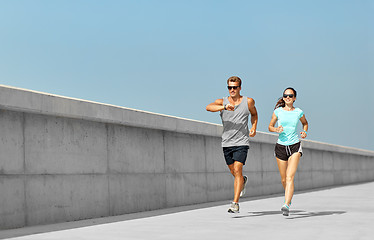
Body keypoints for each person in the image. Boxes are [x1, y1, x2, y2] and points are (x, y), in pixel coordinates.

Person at [206, 76, 258, 213]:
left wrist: (254, 127)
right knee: (234, 172)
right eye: (230, 87)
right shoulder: (221, 101)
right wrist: (224, 107)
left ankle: (235, 204)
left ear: (240, 88)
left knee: (237, 169)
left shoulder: (248, 101)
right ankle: (242, 180)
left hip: (242, 142)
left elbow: (254, 114)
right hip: (226, 142)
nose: (232, 90)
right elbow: (208, 107)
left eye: (235, 87)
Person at [268, 87, 308, 216]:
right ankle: (288, 197)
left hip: (295, 146)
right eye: (285, 96)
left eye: (290, 96)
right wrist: (276, 130)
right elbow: (270, 126)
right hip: (280, 146)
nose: (288, 98)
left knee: (290, 177)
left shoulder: (298, 112)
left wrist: (304, 131)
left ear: (295, 98)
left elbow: (305, 123)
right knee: (284, 179)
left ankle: (286, 203)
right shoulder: (278, 111)